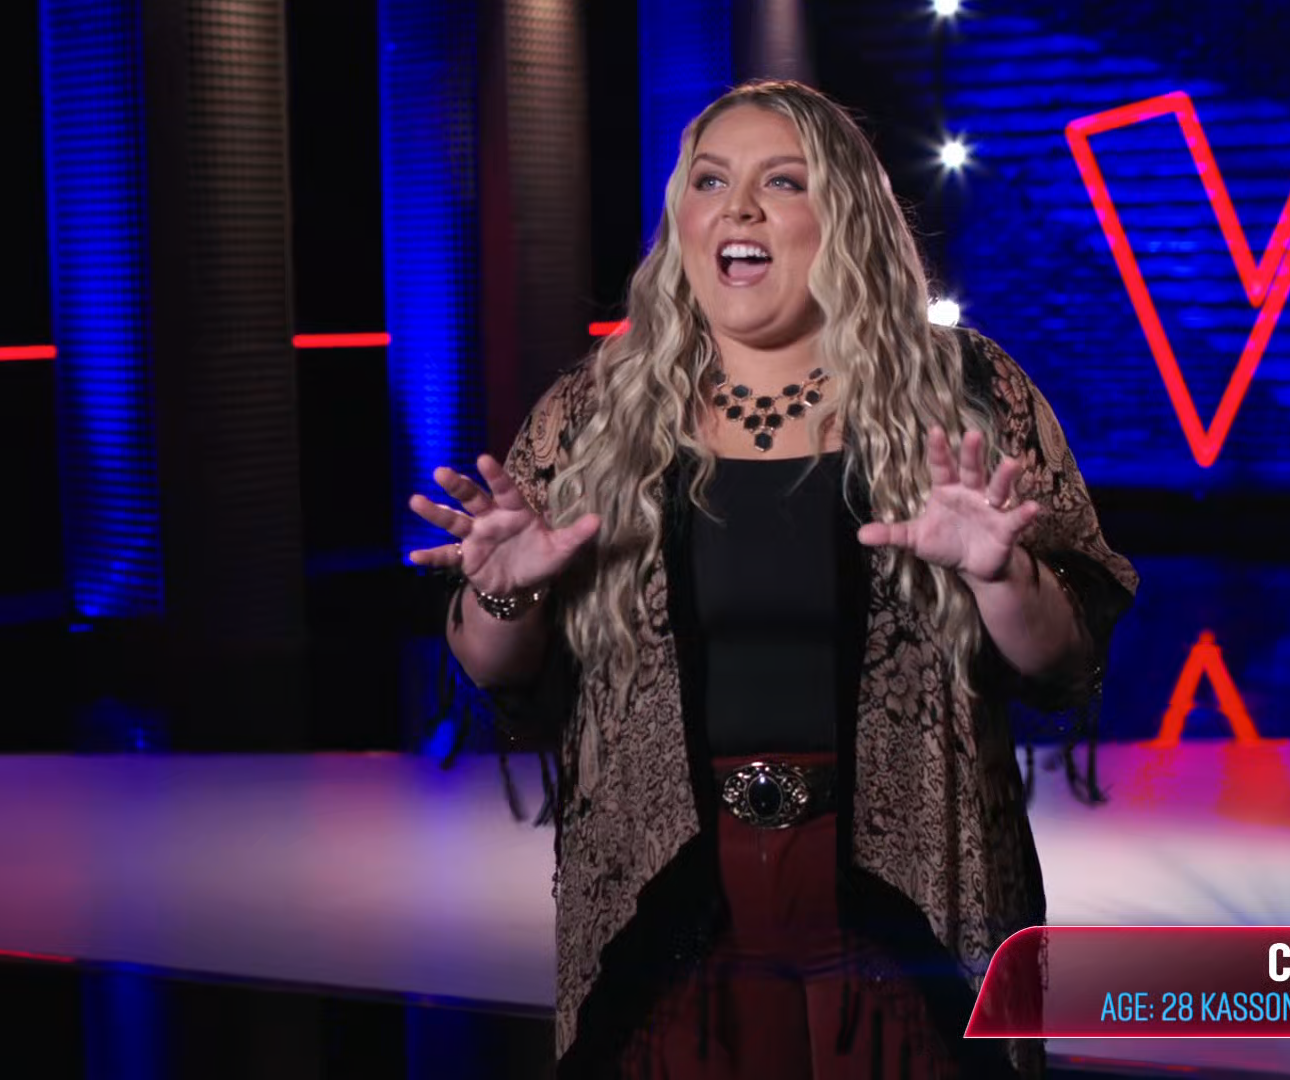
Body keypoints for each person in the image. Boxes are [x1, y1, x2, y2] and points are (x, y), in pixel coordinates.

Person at [408, 80, 1136, 1080]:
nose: (738, 208)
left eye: (782, 182)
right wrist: (506, 591)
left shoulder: (966, 393)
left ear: (844, 218)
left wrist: (1001, 572)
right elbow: (499, 671)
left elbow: (1065, 661)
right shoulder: (594, 417)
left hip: (908, 909)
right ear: (682, 218)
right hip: (666, 913)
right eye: (711, 181)